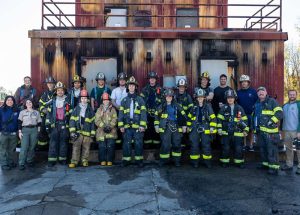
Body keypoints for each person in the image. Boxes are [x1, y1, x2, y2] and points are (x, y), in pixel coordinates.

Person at [253, 86, 283, 175]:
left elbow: (280, 113)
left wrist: (271, 121)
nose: (260, 93)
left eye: (262, 91)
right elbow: (255, 117)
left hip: (271, 133)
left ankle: (274, 167)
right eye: (258, 92)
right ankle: (265, 164)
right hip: (261, 132)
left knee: (272, 150)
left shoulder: (272, 101)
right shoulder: (257, 103)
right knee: (263, 149)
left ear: (266, 92)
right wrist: (255, 129)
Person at [118, 76, 147, 167]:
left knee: (138, 143)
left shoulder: (140, 100)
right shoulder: (124, 100)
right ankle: (126, 160)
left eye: (133, 86)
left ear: (136, 87)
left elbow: (143, 114)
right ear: (127, 87)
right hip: (127, 127)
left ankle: (139, 161)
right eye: (130, 85)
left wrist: (142, 125)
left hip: (138, 127)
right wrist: (121, 126)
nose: (131, 87)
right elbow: (121, 114)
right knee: (127, 143)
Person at [154, 88, 187, 167]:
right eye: (167, 96)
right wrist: (156, 125)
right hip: (165, 127)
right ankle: (163, 160)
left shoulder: (177, 106)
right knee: (165, 145)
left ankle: (177, 161)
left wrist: (184, 126)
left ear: (173, 97)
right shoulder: (161, 106)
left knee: (176, 144)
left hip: (176, 127)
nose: (168, 97)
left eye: (170, 96)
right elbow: (156, 117)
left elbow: (183, 116)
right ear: (165, 97)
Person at [217, 89, 249, 168]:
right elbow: (219, 119)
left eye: (232, 97)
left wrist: (245, 130)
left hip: (237, 132)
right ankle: (224, 162)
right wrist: (219, 128)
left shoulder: (239, 108)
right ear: (226, 99)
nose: (230, 99)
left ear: (235, 98)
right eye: (228, 98)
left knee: (238, 148)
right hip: (225, 132)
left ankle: (239, 162)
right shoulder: (223, 108)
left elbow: (244, 119)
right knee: (225, 148)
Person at [187, 88, 217, 168]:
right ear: (196, 98)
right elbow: (189, 118)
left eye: (202, 97)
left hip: (205, 128)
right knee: (194, 145)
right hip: (194, 128)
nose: (200, 98)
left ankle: (207, 162)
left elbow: (213, 118)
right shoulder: (193, 107)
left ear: (204, 98)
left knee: (206, 145)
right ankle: (195, 162)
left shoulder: (208, 107)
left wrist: (212, 127)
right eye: (198, 97)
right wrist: (189, 127)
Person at [46, 82, 71, 167]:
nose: (60, 92)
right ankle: (51, 160)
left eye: (62, 90)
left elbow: (71, 115)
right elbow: (49, 114)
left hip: (64, 125)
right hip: (54, 125)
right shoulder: (52, 101)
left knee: (63, 143)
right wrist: (47, 126)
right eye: (58, 90)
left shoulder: (68, 101)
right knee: (53, 143)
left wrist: (70, 126)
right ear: (56, 91)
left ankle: (62, 159)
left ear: (64, 91)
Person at [68, 89, 95, 168]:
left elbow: (93, 122)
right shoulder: (76, 109)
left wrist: (92, 133)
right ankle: (74, 161)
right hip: (78, 132)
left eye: (85, 98)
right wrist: (72, 131)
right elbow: (72, 120)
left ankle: (84, 160)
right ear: (80, 99)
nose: (84, 100)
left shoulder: (90, 110)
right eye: (82, 98)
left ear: (88, 99)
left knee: (86, 147)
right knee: (76, 146)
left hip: (87, 132)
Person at [18, 99, 42, 170]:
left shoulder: (36, 112)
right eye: (27, 102)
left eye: (30, 102)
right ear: (25, 104)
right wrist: (19, 132)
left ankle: (30, 160)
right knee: (24, 147)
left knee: (32, 146)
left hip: (34, 130)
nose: (28, 103)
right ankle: (21, 163)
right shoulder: (22, 112)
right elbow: (19, 122)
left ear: (32, 103)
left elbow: (39, 122)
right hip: (25, 130)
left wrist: (38, 131)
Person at [140, 71, 163, 146]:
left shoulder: (160, 89)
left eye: (153, 78)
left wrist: (159, 111)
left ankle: (156, 145)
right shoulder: (144, 89)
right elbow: (141, 101)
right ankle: (147, 144)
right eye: (151, 78)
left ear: (156, 79)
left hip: (157, 113)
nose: (152, 80)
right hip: (147, 113)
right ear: (149, 79)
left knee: (156, 129)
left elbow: (163, 101)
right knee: (148, 129)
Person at [95, 92, 118, 166]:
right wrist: (103, 126)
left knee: (110, 145)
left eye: (107, 100)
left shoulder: (113, 109)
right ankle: (102, 160)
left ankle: (110, 160)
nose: (106, 101)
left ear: (109, 100)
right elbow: (97, 120)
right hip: (101, 132)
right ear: (102, 101)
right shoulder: (99, 110)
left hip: (111, 132)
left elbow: (115, 119)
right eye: (104, 100)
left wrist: (110, 126)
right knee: (102, 146)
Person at [237, 75, 258, 152]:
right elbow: (236, 105)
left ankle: (251, 145)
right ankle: (245, 145)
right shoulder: (238, 92)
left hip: (251, 114)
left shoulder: (253, 92)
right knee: (243, 129)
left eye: (245, 82)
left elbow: (257, 102)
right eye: (242, 82)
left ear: (248, 83)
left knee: (251, 130)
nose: (244, 83)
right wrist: (238, 116)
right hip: (241, 114)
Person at [281, 90, 300, 174]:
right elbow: (281, 118)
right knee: (288, 149)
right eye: (290, 94)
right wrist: (281, 130)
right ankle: (289, 164)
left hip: (296, 131)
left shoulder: (299, 104)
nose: (292, 95)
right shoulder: (284, 106)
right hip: (286, 130)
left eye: (293, 94)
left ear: (296, 95)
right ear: (288, 95)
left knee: (299, 149)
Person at [0, 96, 19, 170]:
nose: (10, 101)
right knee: (3, 150)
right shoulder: (1, 110)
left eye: (11, 100)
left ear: (13, 101)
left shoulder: (17, 110)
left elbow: (19, 122)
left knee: (12, 150)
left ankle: (10, 162)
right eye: (8, 100)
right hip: (3, 133)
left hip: (13, 134)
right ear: (5, 101)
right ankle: (4, 164)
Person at [174, 78, 193, 148]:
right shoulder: (174, 96)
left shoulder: (188, 97)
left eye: (183, 87)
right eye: (180, 87)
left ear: (185, 87)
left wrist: (187, 123)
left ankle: (183, 155)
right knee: (176, 138)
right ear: (178, 87)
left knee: (184, 139)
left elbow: (191, 110)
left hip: (185, 121)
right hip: (176, 121)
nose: (181, 88)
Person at [38, 76, 56, 147]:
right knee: (43, 130)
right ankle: (42, 146)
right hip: (45, 116)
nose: (50, 85)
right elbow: (40, 103)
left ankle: (52, 146)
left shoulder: (57, 92)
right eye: (48, 83)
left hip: (54, 116)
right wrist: (43, 109)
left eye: (51, 83)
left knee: (53, 130)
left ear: (54, 84)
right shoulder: (45, 94)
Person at [111, 72, 128, 145]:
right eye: (120, 80)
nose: (122, 81)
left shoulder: (128, 89)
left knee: (126, 126)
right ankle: (118, 143)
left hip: (126, 111)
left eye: (123, 79)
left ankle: (126, 141)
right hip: (117, 111)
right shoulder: (115, 90)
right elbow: (112, 101)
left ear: (126, 80)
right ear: (118, 81)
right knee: (117, 126)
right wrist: (118, 107)